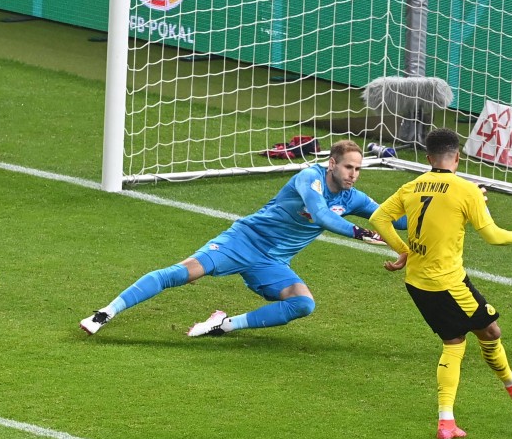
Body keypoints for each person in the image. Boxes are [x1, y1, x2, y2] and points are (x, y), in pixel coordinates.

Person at [81, 139, 405, 337]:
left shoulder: (355, 199)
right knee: (183, 273)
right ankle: (105, 313)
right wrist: (361, 233)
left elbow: (398, 221)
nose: (353, 174)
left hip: (273, 262)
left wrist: (432, 213)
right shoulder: (309, 177)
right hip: (245, 240)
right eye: (348, 167)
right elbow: (320, 215)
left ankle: (224, 326)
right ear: (332, 163)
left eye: (358, 169)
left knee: (303, 304)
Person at [370, 128, 512, 439]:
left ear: (427, 157)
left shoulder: (411, 186)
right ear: (457, 157)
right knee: (489, 331)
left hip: (417, 284)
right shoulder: (467, 189)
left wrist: (403, 250)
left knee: (455, 341)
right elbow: (492, 236)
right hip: (448, 283)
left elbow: (379, 218)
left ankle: (447, 421)